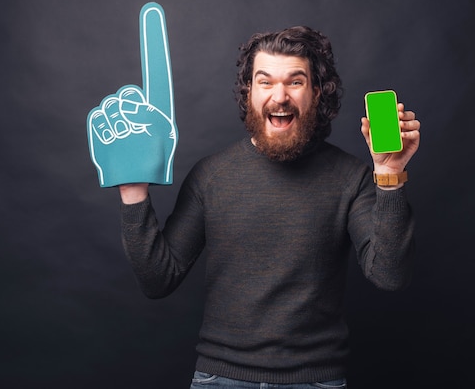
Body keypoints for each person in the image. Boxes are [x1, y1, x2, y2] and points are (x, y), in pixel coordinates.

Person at [117, 26, 420, 388]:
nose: (280, 97)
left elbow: (390, 275)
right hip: (221, 379)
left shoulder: (351, 177)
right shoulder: (211, 175)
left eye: (295, 82)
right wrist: (132, 188)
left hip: (315, 381)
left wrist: (388, 174)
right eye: (265, 82)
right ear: (249, 92)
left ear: (317, 93)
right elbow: (157, 280)